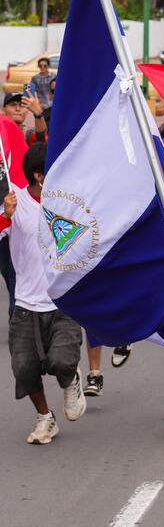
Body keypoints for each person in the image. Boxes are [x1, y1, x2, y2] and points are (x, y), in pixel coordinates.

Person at [1, 143, 85, 443]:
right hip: (26, 304)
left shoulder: (69, 201)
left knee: (61, 361)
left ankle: (70, 378)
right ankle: (45, 418)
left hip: (63, 301)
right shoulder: (14, 204)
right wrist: (5, 215)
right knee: (23, 368)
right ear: (39, 176)